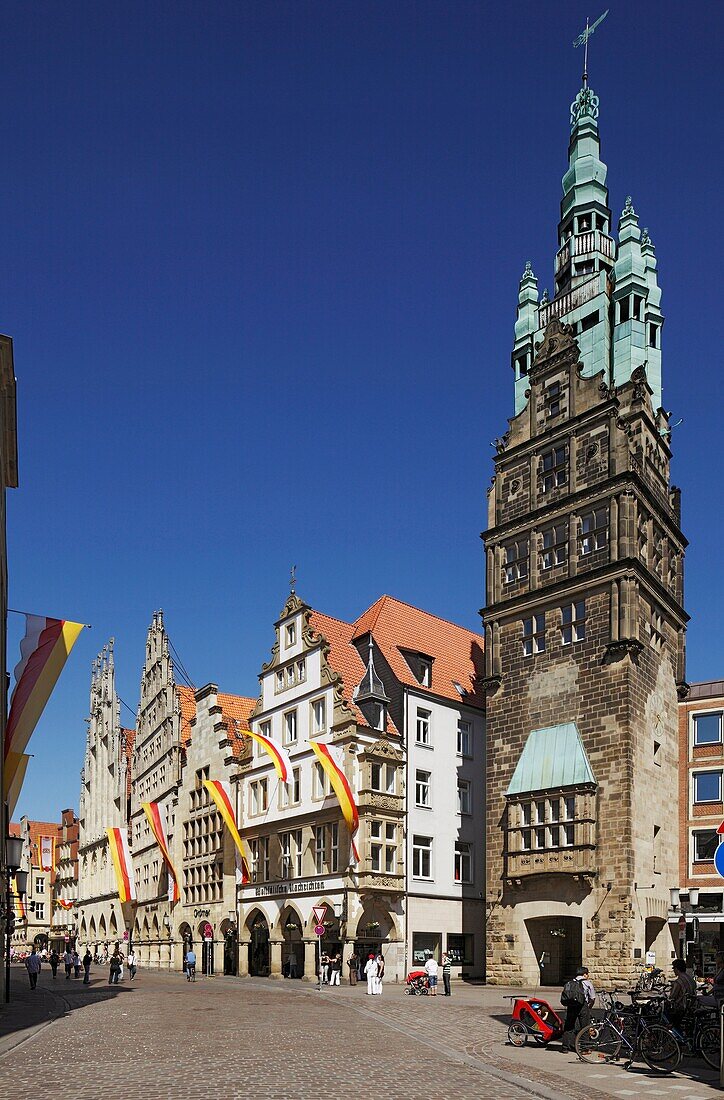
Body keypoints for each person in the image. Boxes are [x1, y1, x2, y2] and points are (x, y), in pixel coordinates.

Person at [561, 967, 596, 1051]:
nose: (588, 976)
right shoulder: (587, 983)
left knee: (569, 1026)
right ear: (584, 974)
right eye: (587, 974)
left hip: (571, 1006)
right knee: (584, 1027)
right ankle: (584, 1047)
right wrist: (589, 1007)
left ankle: (565, 1047)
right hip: (583, 1007)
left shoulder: (569, 983)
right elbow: (592, 998)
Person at [667, 958, 696, 1027]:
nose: (673, 971)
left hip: (682, 1007)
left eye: (674, 968)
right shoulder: (690, 979)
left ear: (677, 969)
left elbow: (672, 996)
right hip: (691, 1005)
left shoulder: (678, 981)